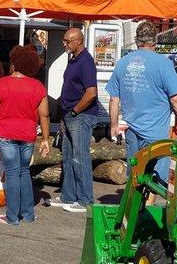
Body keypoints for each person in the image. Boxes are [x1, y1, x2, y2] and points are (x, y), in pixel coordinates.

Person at [106, 21, 177, 184]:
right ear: (155, 41)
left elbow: (113, 99)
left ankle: (135, 208)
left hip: (132, 130)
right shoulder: (163, 63)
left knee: (136, 176)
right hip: (156, 133)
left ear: (137, 41)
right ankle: (148, 208)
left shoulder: (123, 63)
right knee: (156, 180)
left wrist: (113, 126)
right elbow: (176, 98)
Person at [0, 45, 50, 225]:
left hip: (5, 133)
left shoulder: (1, 83)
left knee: (12, 173)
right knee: (24, 172)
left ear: (14, 64)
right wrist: (45, 138)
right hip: (28, 134)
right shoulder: (38, 86)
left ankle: (12, 217)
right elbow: (44, 114)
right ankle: (28, 214)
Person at [50, 28, 98, 213]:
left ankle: (85, 199)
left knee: (80, 157)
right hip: (69, 114)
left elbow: (91, 92)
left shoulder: (86, 61)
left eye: (67, 41)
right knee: (68, 156)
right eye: (64, 40)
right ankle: (68, 195)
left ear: (78, 41)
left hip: (80, 115)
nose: (64, 44)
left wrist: (76, 111)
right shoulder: (72, 59)